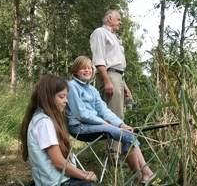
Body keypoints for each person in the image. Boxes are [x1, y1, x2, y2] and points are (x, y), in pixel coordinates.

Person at [65, 56, 157, 184]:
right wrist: (104, 123)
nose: (87, 71)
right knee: (125, 136)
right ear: (75, 71)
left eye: (89, 68)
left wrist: (121, 124)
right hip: (79, 127)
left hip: (93, 126)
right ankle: (141, 175)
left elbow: (104, 110)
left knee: (128, 133)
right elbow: (82, 114)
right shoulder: (71, 86)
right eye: (82, 68)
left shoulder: (92, 89)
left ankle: (143, 174)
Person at [19, 74, 98, 186]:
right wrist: (85, 176)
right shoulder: (44, 122)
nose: (66, 101)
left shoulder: (40, 118)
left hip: (56, 179)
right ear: (47, 98)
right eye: (62, 97)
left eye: (66, 97)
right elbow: (59, 164)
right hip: (56, 182)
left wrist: (83, 172)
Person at [90, 9, 131, 167]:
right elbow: (99, 60)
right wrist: (107, 81)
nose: (120, 22)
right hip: (109, 75)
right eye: (118, 19)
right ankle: (114, 157)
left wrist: (124, 84)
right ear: (109, 18)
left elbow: (118, 64)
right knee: (114, 115)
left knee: (119, 114)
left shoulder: (115, 38)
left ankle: (116, 153)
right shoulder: (100, 32)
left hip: (118, 76)